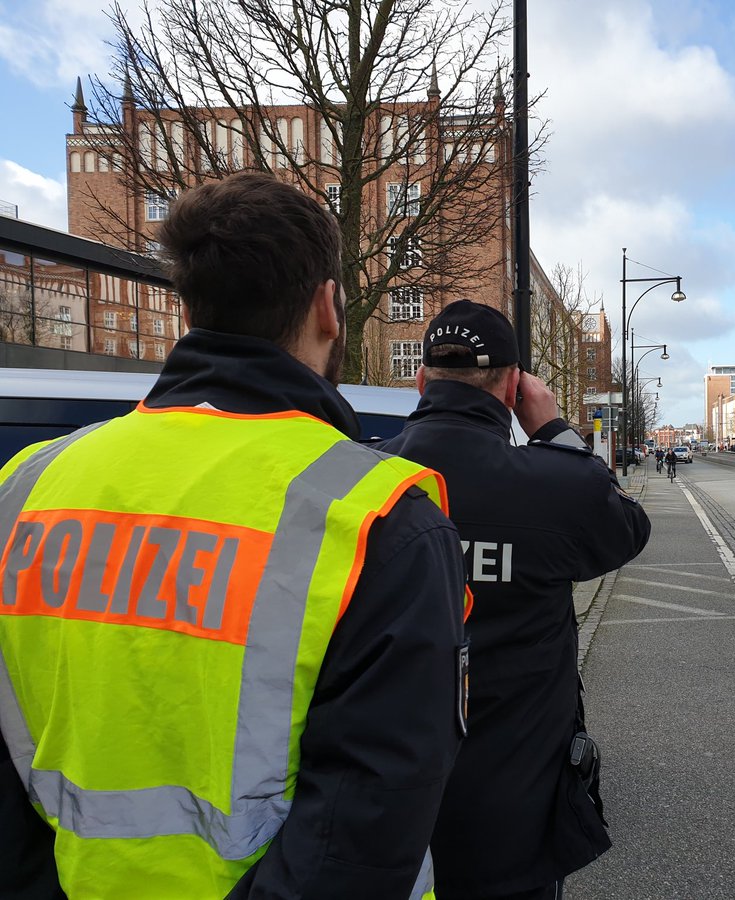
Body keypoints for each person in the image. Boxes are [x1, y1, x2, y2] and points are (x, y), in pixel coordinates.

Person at [0, 171, 466, 899]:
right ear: (328, 306)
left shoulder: (27, 486)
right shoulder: (377, 515)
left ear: (191, 307)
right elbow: (366, 824)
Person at [376, 300, 651, 900]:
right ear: (513, 389)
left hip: (384, 815)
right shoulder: (554, 482)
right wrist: (554, 430)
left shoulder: (360, 476)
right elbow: (627, 528)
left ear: (420, 382)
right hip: (513, 817)